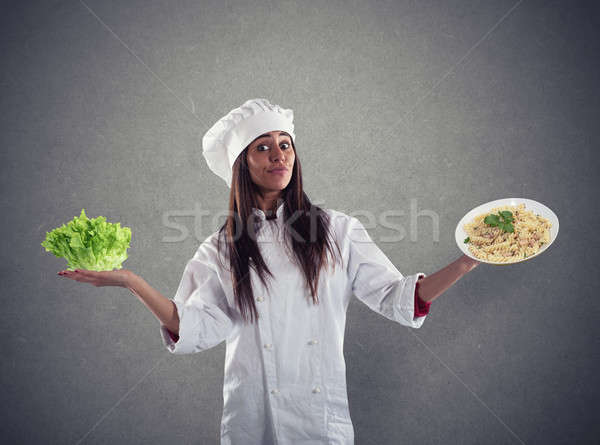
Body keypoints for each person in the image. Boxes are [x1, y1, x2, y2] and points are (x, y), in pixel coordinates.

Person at [58, 98, 480, 444]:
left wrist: (466, 260)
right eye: (262, 146)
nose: (278, 155)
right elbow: (194, 326)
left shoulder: (338, 230)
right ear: (241, 164)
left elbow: (396, 297)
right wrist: (132, 282)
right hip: (252, 419)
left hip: (320, 421)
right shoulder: (220, 249)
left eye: (285, 144)